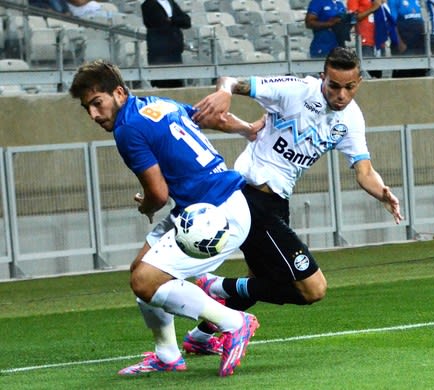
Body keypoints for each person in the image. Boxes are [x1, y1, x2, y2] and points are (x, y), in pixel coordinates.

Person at [183, 47, 404, 351]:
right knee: (313, 289)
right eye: (334, 85)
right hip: (250, 196)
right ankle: (215, 285)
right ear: (322, 77)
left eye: (349, 87)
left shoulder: (350, 119)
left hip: (276, 203)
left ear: (359, 83)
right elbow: (232, 80)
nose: (341, 94)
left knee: (261, 281)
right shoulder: (295, 91)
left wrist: (383, 192)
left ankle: (201, 337)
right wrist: (225, 90)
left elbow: (364, 170)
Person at [69, 59, 259, 376]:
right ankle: (168, 355)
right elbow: (208, 117)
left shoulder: (127, 129)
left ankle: (235, 323)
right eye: (87, 108)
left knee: (146, 281)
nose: (93, 114)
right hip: (204, 207)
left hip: (216, 213)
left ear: (118, 92)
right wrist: (245, 128)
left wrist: (145, 206)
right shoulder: (156, 104)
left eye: (97, 103)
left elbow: (157, 194)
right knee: (139, 272)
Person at [141, 0, 191, 88]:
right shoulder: (148, 4)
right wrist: (175, 20)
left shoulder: (171, 3)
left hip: (175, 51)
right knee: (162, 83)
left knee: (177, 83)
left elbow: (187, 21)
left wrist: (171, 19)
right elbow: (159, 23)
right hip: (159, 53)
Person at [347, 0, 387, 78]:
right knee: (367, 73)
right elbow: (353, 18)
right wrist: (373, 8)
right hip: (365, 41)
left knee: (378, 74)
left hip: (379, 41)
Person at [388, 0, 427, 77]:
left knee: (420, 73)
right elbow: (392, 23)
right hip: (405, 44)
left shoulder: (416, 1)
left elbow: (421, 20)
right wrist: (399, 43)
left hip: (418, 45)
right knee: (404, 73)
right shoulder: (394, 1)